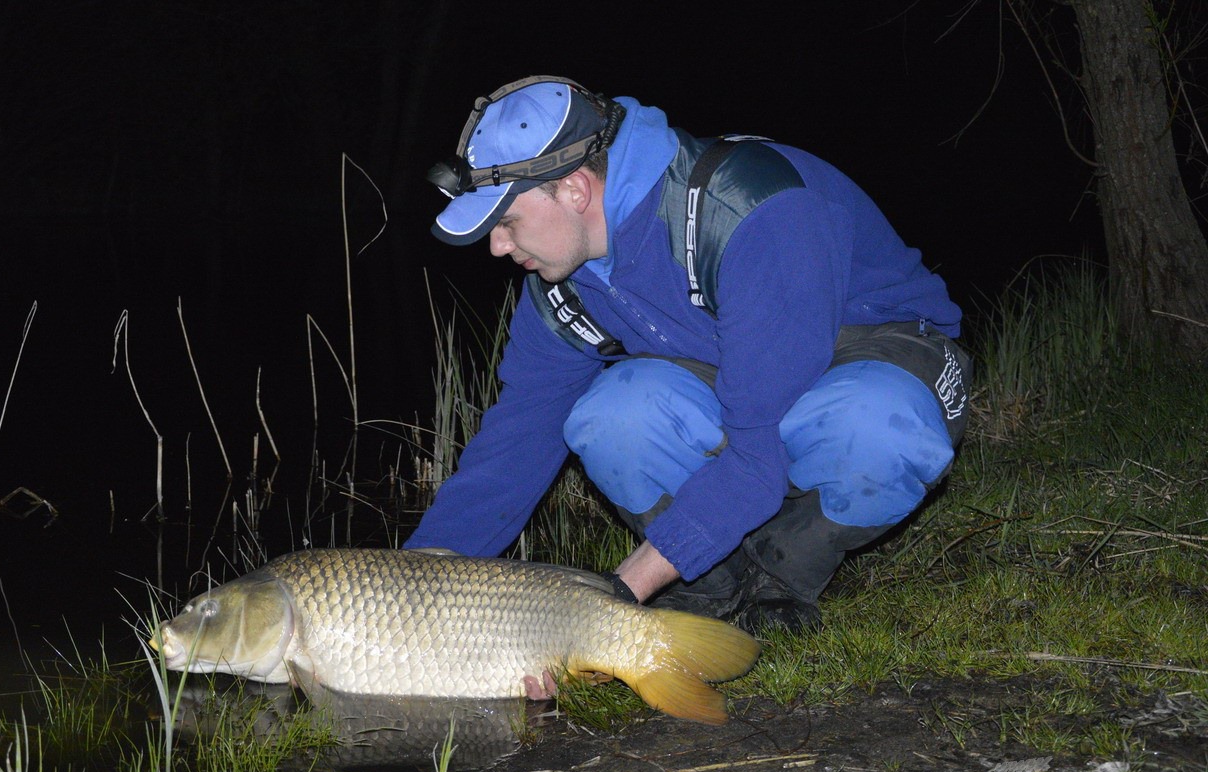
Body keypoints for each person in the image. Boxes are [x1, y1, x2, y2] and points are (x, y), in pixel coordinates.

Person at [408, 75, 972, 644]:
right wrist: (415, 586)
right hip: (738, 364)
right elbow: (516, 441)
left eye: (506, 222)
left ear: (575, 189)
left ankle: (782, 573)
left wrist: (615, 597)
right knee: (613, 415)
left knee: (875, 427)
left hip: (871, 349)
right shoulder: (563, 280)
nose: (498, 248)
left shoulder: (754, 211)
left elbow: (756, 458)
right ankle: (709, 583)